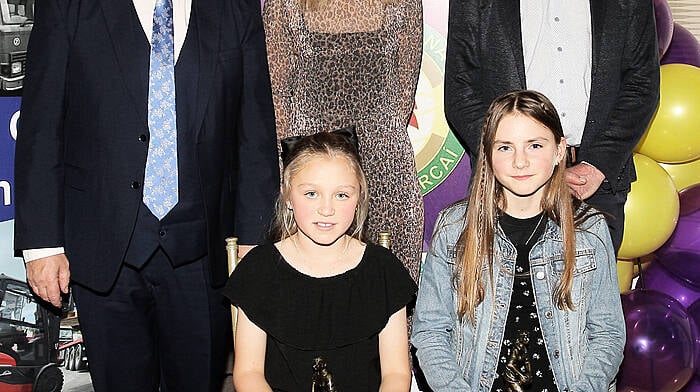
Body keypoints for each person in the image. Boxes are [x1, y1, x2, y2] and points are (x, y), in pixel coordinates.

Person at [13, 0, 280, 391]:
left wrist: (254, 240)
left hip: (203, 257)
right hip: (103, 250)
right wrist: (41, 245)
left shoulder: (235, 8)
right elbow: (41, 125)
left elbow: (255, 131)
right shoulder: (68, 6)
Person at [411, 91, 625, 391]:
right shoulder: (454, 228)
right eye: (505, 147)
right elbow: (430, 331)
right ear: (487, 154)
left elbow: (608, 335)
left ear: (559, 150)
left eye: (535, 145)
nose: (520, 161)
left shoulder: (589, 230)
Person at [444, 0, 660, 252]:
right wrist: (518, 160)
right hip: (508, 181)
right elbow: (460, 91)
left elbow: (642, 85)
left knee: (588, 290)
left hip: (594, 184)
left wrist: (597, 166)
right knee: (503, 290)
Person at [225, 130, 416, 391]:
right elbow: (248, 373)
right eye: (311, 194)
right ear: (287, 196)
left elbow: (396, 374)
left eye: (341, 195)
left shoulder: (382, 270)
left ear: (359, 198)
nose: (327, 209)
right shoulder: (259, 270)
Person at [263, 0, 424, 282]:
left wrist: (379, 136)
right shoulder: (283, 3)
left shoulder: (405, 2)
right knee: (309, 291)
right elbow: (276, 98)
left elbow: (403, 91)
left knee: (388, 290)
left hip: (385, 172)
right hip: (310, 172)